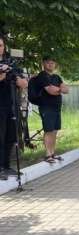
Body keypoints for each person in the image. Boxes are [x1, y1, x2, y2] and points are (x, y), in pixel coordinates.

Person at [0, 35, 28, 179]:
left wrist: (17, 78)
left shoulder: (9, 63)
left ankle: (6, 166)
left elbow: (23, 82)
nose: (0, 48)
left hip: (11, 104)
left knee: (11, 135)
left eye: (1, 45)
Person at [34, 55, 69, 163]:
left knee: (54, 130)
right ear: (43, 64)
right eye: (48, 62)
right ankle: (48, 155)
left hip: (56, 107)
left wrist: (58, 89)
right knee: (48, 130)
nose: (51, 64)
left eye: (53, 62)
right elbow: (50, 90)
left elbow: (66, 89)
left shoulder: (57, 77)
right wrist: (60, 89)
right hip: (46, 107)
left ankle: (53, 153)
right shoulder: (42, 76)